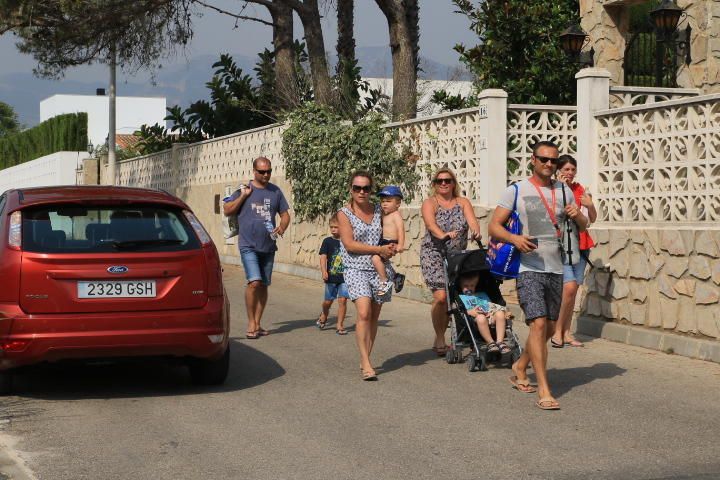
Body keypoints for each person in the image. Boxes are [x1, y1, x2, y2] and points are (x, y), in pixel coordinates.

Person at [488, 141, 589, 411]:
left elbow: (584, 225)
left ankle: (520, 365)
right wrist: (515, 239)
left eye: (553, 161)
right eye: (544, 159)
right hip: (528, 268)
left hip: (557, 266)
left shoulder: (564, 190)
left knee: (549, 326)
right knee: (539, 324)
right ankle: (544, 389)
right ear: (533, 159)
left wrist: (577, 215)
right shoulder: (517, 190)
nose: (549, 165)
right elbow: (494, 226)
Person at [337, 171, 397, 381]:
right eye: (357, 188)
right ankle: (366, 362)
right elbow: (349, 244)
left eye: (366, 188)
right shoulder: (344, 213)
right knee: (363, 313)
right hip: (355, 269)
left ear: (371, 190)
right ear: (350, 190)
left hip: (381, 269)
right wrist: (377, 250)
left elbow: (394, 229)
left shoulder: (381, 210)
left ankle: (366, 359)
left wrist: (392, 247)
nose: (362, 192)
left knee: (374, 316)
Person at [223, 157, 290, 340]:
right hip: (248, 245)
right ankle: (251, 323)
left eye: (268, 171)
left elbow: (285, 215)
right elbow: (227, 210)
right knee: (254, 282)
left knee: (263, 285)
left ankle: (258, 323)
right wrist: (244, 196)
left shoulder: (275, 192)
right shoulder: (243, 189)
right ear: (254, 171)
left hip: (268, 245)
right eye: (262, 172)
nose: (266, 174)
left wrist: (282, 227)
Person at [420, 167, 482, 356]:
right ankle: (440, 336)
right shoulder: (430, 203)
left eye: (448, 180)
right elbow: (431, 224)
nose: (444, 183)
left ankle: (467, 334)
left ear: (454, 183)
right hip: (434, 254)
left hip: (457, 256)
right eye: (440, 181)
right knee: (441, 297)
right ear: (435, 185)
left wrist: (475, 230)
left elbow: (472, 221)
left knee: (453, 296)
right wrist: (443, 235)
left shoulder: (462, 202)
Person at [551, 154, 597, 348]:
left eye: (572, 169)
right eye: (566, 169)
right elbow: (553, 216)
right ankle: (557, 332)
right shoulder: (552, 189)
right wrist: (561, 189)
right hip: (563, 245)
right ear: (558, 171)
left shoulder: (580, 190)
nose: (569, 173)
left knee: (574, 290)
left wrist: (590, 205)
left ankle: (567, 332)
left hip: (581, 244)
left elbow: (591, 220)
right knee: (568, 289)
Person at [457, 272, 511, 354]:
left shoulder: (482, 295)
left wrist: (500, 311)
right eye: (466, 286)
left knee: (500, 314)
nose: (469, 288)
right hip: (475, 319)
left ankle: (500, 342)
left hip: (490, 315)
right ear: (461, 286)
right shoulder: (462, 298)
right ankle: (490, 342)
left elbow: (491, 305)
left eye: (472, 286)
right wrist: (469, 311)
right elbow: (459, 310)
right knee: (481, 318)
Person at [318, 214, 350, 335]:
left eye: (336, 227)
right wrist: (324, 271)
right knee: (328, 301)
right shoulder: (327, 241)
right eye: (331, 227)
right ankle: (324, 314)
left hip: (345, 277)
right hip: (331, 277)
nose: (333, 229)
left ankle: (339, 325)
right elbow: (323, 257)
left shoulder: (348, 241)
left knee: (343, 300)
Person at [371, 185, 406, 295]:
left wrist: (400, 244)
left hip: (391, 243)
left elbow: (401, 229)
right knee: (383, 262)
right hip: (383, 242)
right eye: (383, 201)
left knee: (376, 259)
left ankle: (384, 281)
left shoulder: (396, 215)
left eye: (389, 201)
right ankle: (396, 276)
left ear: (398, 203)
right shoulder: (384, 214)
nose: (384, 203)